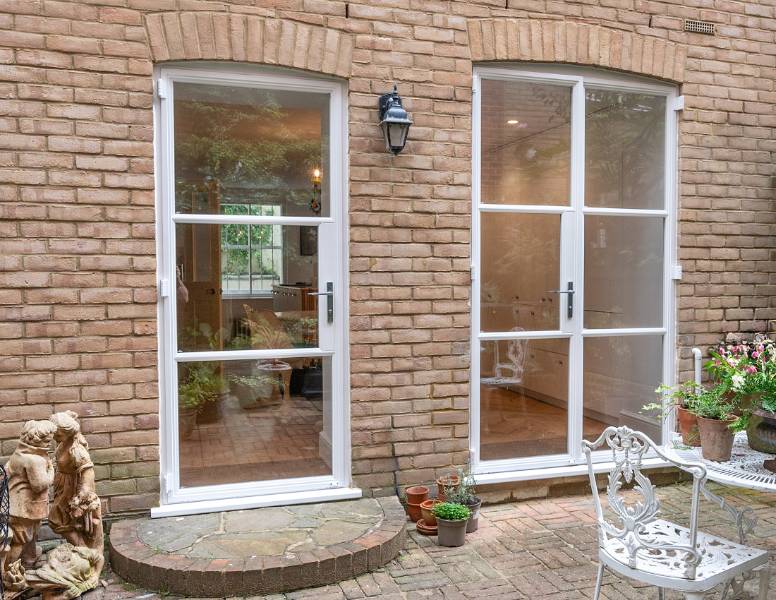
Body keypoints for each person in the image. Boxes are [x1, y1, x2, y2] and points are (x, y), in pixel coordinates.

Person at [2, 420, 57, 586]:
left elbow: (5, 473)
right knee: (20, 538)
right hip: (25, 509)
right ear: (38, 441)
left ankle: (30, 557)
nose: (50, 444)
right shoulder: (35, 460)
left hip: (17, 506)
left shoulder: (18, 454)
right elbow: (40, 485)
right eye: (48, 441)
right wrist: (51, 469)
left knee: (30, 534)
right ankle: (8, 570)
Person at [48, 412, 103, 564]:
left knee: (56, 520)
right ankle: (83, 552)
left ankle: (84, 551)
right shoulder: (64, 443)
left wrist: (83, 493)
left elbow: (88, 470)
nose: (54, 438)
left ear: (67, 433)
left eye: (57, 435)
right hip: (63, 487)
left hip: (72, 490)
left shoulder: (76, 449)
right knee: (65, 522)